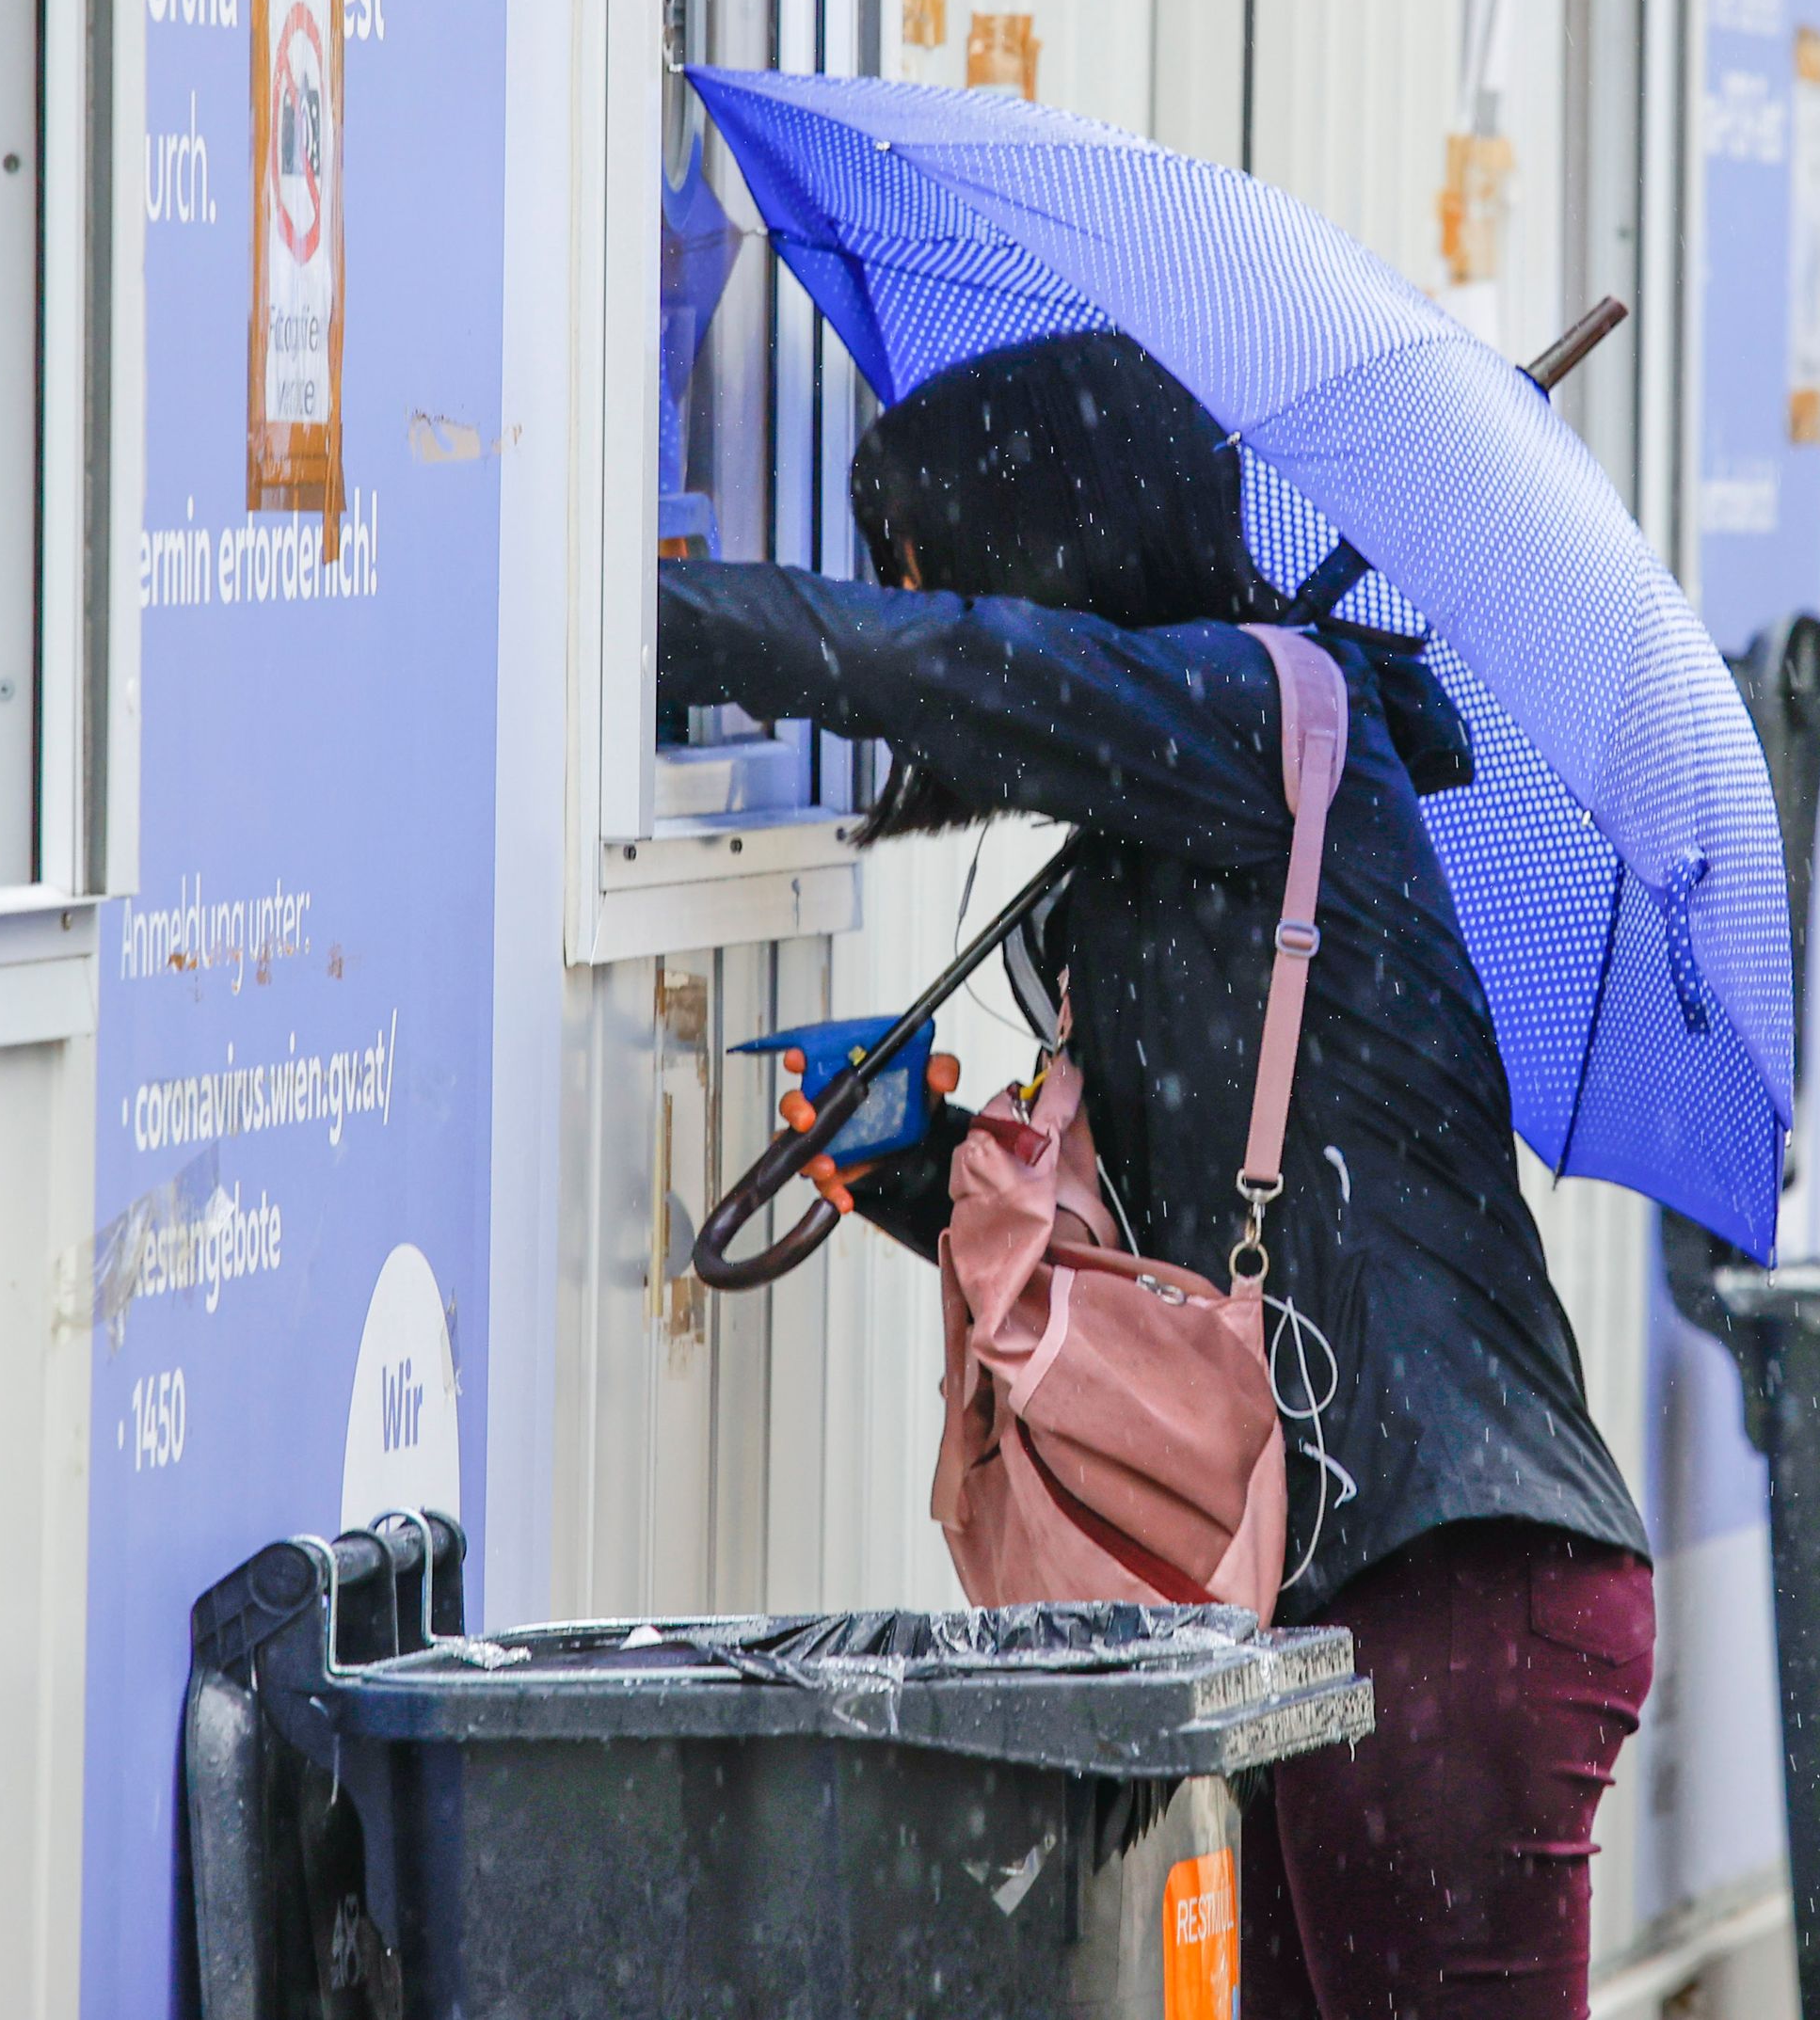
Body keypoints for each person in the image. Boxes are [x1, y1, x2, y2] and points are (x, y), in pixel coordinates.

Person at [660, 330, 1654, 2019]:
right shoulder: (1178, 816)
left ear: (1035, 550)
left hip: (1449, 1584)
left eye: (922, 565)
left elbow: (963, 674)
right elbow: (1152, 1274)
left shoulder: (1264, 718)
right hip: (1309, 1599)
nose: (909, 599)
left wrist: (646, 620)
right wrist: (914, 1165)